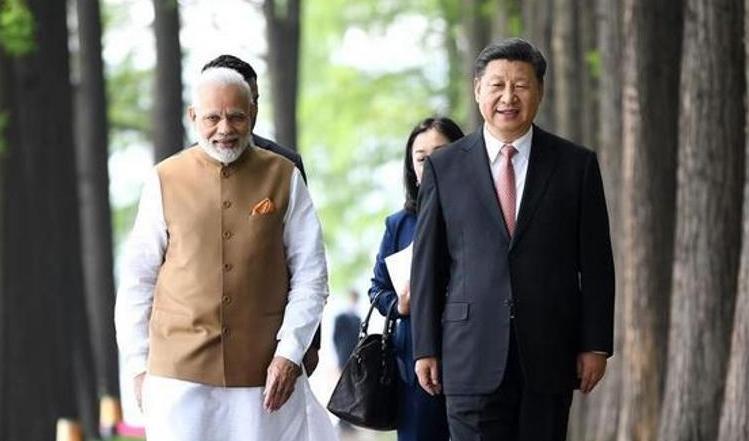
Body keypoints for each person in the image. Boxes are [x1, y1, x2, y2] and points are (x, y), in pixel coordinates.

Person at [114, 66, 336, 441]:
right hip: (177, 376)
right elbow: (138, 279)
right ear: (193, 117)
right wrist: (138, 365)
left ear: (253, 113)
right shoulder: (164, 178)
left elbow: (311, 275)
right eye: (212, 118)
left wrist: (289, 352)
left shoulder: (284, 175)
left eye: (236, 117)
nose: (225, 129)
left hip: (264, 376)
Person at [410, 38, 615, 441]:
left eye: (521, 86)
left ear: (540, 91)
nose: (508, 97)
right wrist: (425, 346)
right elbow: (428, 267)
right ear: (478, 90)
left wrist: (596, 344)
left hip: (549, 352)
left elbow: (596, 264)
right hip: (468, 353)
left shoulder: (575, 165)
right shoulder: (444, 167)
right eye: (497, 85)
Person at [201, 54, 321, 373]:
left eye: (251, 100)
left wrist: (308, 342)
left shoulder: (285, 165)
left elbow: (304, 257)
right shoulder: (178, 173)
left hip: (272, 335)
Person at [369, 117, 464, 441]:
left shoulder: (480, 215)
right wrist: (399, 305)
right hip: (412, 361)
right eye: (421, 158)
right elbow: (377, 288)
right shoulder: (399, 224)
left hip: (471, 354)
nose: (431, 165)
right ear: (412, 167)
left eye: (441, 153)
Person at [332, 289, 362, 370]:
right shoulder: (340, 318)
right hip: (343, 354)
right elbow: (335, 338)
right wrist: (338, 354)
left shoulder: (357, 319)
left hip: (353, 354)